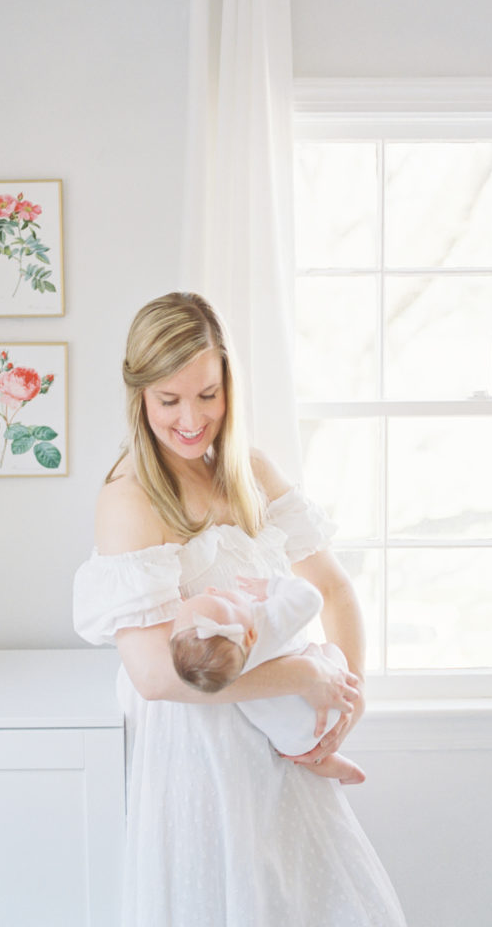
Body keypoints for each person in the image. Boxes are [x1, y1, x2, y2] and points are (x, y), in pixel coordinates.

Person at [73, 292, 406, 926]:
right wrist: (305, 676)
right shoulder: (130, 499)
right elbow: (152, 676)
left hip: (282, 749)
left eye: (207, 394)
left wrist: (349, 699)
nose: (192, 418)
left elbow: (333, 590)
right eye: (169, 400)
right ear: (139, 394)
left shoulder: (251, 472)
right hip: (198, 754)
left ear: (229, 384)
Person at [169, 574, 366, 785]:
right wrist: (273, 587)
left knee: (287, 735)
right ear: (251, 635)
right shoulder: (263, 623)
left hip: (288, 743)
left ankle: (337, 767)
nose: (211, 589)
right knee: (329, 650)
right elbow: (311, 598)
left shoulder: (220, 667)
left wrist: (186, 606)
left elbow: (194, 639)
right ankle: (337, 762)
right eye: (225, 602)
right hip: (327, 707)